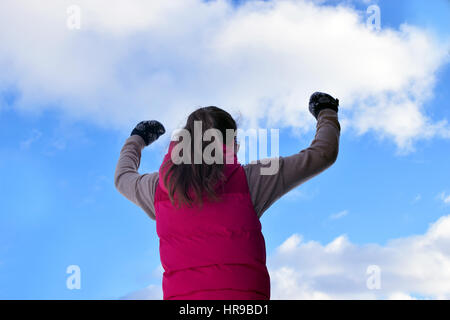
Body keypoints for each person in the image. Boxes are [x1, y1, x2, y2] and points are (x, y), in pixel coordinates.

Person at [114, 92, 341, 300]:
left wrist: (138, 138)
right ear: (232, 143)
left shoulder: (160, 188)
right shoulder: (251, 179)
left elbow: (123, 177)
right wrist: (326, 111)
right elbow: (322, 154)